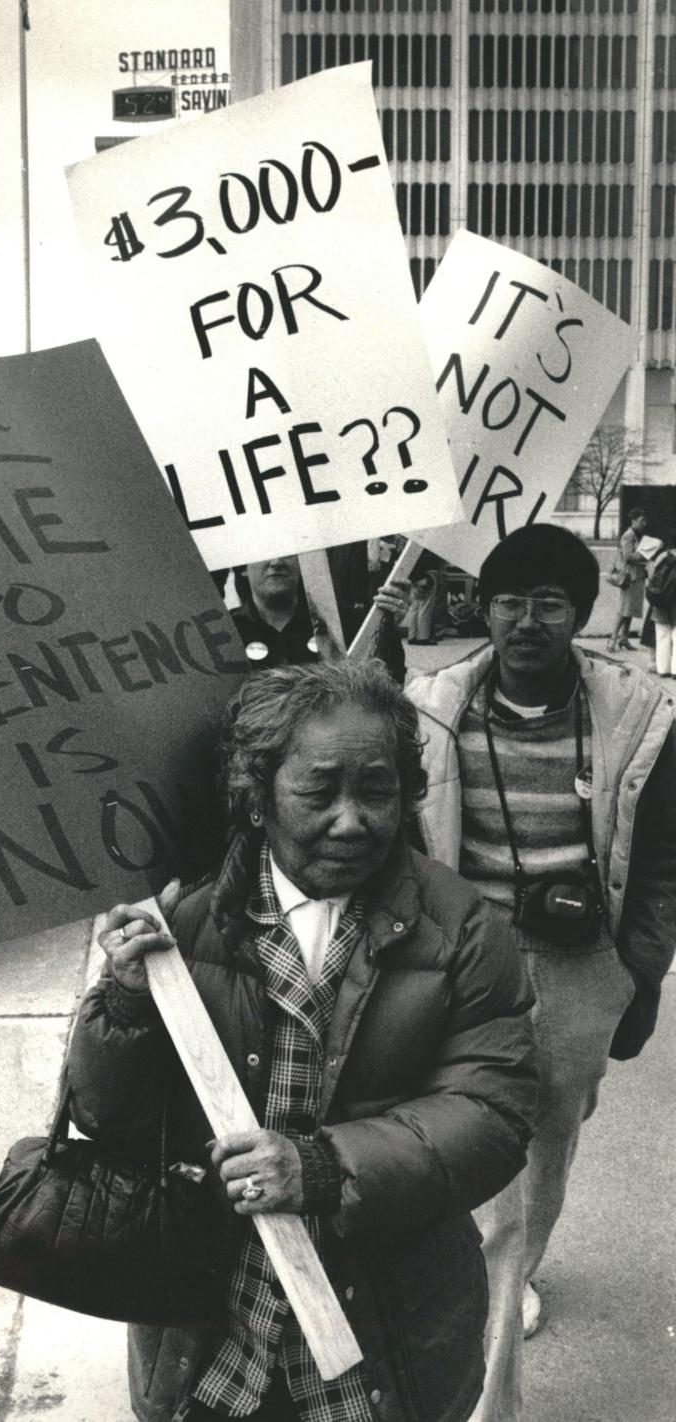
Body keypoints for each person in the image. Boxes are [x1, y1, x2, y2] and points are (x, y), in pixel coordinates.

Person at [67, 659, 538, 1422]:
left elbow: (493, 1113)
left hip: (386, 1337)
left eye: (377, 790)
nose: (352, 820)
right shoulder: (178, 922)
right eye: (319, 791)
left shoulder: (463, 932)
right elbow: (107, 1117)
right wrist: (124, 1001)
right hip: (209, 1331)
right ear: (258, 795)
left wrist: (322, 1167)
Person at [406, 523, 676, 1422]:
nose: (529, 620)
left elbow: (665, 859)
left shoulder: (640, 714)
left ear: (582, 615)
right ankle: (491, 1299)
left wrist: (637, 972)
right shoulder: (429, 705)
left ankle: (518, 1259)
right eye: (511, 601)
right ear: (481, 608)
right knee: (464, 1127)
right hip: (461, 957)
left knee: (549, 1136)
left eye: (551, 603)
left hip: (578, 965)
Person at [231, 553, 407, 681]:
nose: (276, 562)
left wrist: (387, 623)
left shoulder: (345, 622)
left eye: (288, 553)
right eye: (266, 551)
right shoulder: (225, 632)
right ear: (242, 568)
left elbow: (390, 680)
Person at [607, 507, 648, 652]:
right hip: (629, 577)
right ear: (633, 520)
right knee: (624, 608)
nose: (644, 523)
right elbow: (627, 556)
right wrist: (646, 555)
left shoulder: (636, 535)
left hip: (636, 577)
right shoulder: (629, 535)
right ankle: (612, 640)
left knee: (629, 609)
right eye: (642, 520)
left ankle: (623, 638)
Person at [646, 529, 676, 678]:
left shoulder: (662, 556)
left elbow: (651, 577)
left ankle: (663, 669)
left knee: (662, 635)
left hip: (661, 601)